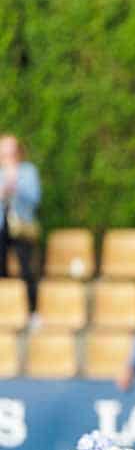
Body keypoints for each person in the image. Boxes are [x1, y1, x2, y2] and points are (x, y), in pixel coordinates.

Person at [0, 134, 41, 318]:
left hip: (21, 226)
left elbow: (35, 198)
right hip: (2, 227)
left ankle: (32, 310)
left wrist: (15, 185)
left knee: (26, 269)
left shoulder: (27, 171)